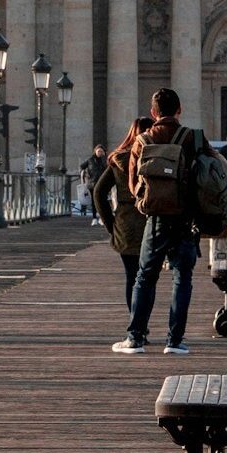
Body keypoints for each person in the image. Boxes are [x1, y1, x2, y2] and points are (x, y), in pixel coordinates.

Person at [113, 88, 215, 357]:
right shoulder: (194, 138)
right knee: (183, 278)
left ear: (153, 112)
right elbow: (213, 173)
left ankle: (135, 339)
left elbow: (133, 184)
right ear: (179, 110)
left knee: (145, 277)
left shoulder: (143, 140)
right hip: (186, 219)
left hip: (156, 218)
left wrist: (149, 201)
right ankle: (175, 341)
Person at [92, 117, 152, 312]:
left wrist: (111, 224)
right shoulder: (156, 157)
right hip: (151, 221)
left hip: (126, 223)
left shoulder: (120, 159)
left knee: (132, 276)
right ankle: (142, 320)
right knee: (148, 277)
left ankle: (135, 321)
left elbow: (99, 192)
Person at [80, 145, 108, 223]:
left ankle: (102, 218)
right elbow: (81, 166)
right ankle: (94, 218)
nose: (100, 153)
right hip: (92, 183)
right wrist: (85, 174)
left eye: (101, 151)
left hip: (102, 182)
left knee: (102, 200)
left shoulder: (105, 160)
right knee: (94, 201)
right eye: (98, 151)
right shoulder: (90, 160)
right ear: (95, 151)